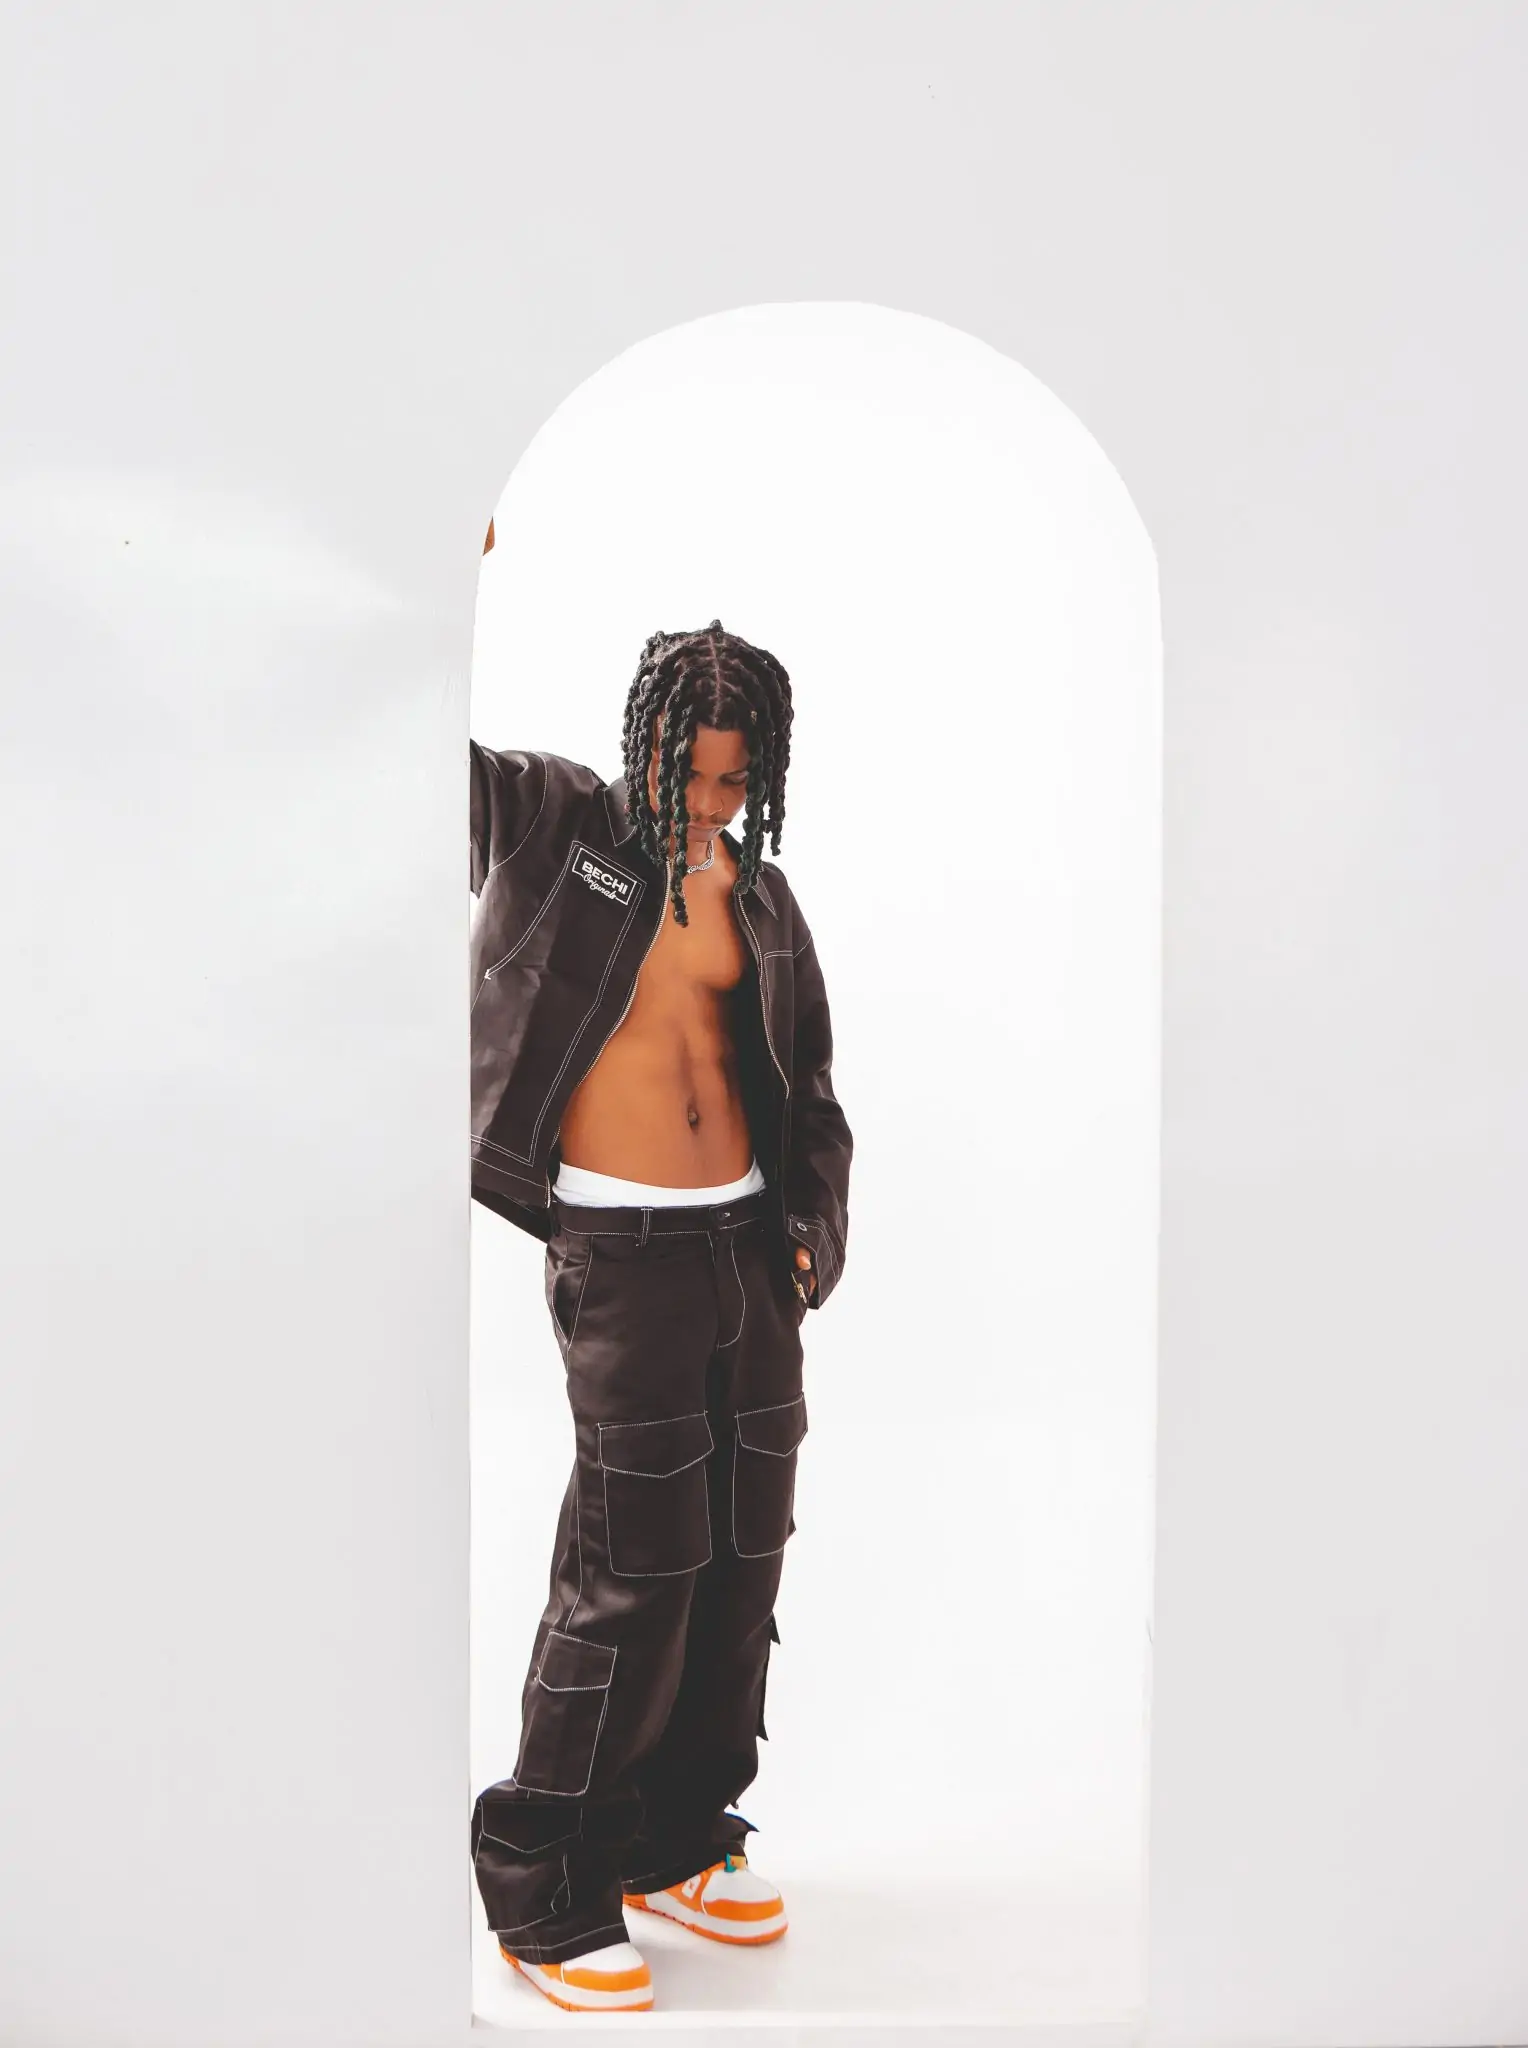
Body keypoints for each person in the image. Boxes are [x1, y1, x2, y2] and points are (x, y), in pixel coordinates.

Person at [468, 520, 853, 2015]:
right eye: (687, 771)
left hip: (746, 1256)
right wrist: (445, 565)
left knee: (743, 1556)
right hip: (621, 1255)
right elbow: (413, 768)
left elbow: (813, 1098)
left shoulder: (760, 902)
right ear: (642, 744)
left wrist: (808, 1232)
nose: (706, 801)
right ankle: (546, 1883)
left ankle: (675, 1838)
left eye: (733, 781)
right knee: (634, 1566)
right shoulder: (558, 828)